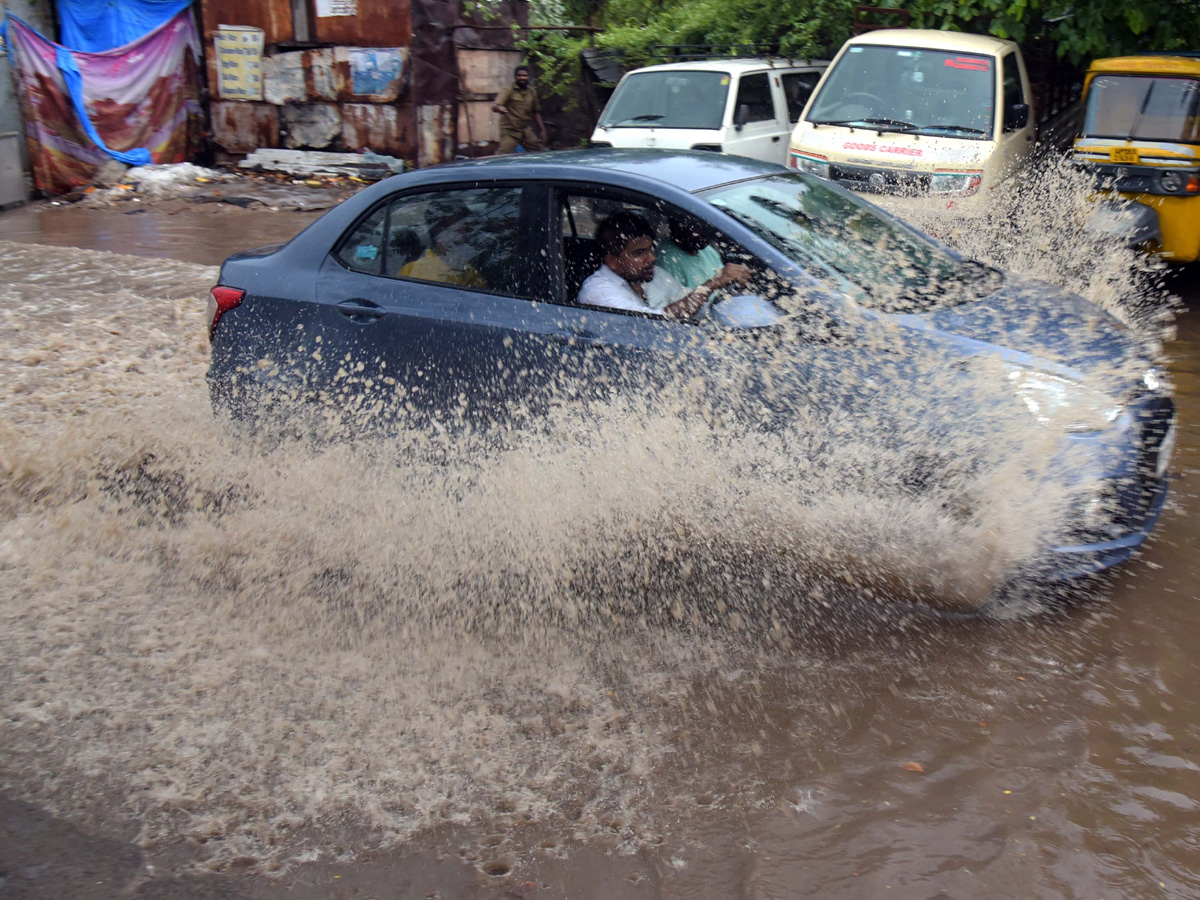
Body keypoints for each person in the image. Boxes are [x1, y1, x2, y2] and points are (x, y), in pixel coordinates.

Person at [578, 211, 751, 318]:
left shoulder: (655, 275)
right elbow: (650, 324)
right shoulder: (599, 291)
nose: (652, 258)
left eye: (650, 249)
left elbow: (694, 307)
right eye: (639, 253)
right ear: (613, 261)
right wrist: (713, 283)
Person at [399, 198, 486, 288]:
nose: (468, 229)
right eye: (461, 223)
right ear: (440, 230)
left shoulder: (468, 270)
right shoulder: (419, 272)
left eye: (468, 224)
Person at [644, 217, 725, 309]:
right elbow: (681, 307)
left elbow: (724, 280)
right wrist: (718, 281)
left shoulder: (707, 251)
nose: (704, 230)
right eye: (696, 226)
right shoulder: (667, 257)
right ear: (679, 227)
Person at [493, 65, 547, 154]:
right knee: (503, 154)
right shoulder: (508, 90)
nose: (522, 78)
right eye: (519, 75)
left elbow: (536, 111)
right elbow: (495, 105)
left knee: (537, 150)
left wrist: (543, 129)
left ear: (528, 77)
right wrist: (499, 108)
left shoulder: (532, 92)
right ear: (515, 77)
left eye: (524, 75)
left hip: (524, 129)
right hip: (510, 130)